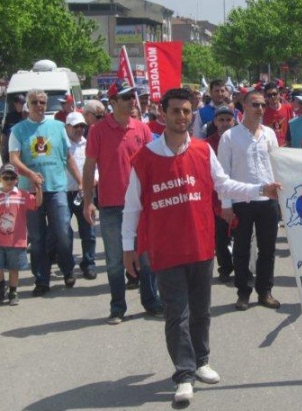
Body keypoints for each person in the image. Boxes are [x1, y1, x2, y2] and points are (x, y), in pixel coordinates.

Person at [121, 87, 280, 404]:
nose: (182, 116)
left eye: (186, 111)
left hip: (200, 246)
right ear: (163, 113)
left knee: (200, 312)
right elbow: (132, 207)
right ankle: (183, 374)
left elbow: (224, 185)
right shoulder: (145, 158)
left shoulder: (203, 150)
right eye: (175, 111)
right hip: (166, 250)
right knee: (176, 315)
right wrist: (128, 248)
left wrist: (260, 189)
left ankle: (201, 360)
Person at [83, 80, 162, 325]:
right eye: (126, 98)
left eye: (132, 97)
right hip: (111, 206)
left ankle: (151, 301)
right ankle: (117, 307)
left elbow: (153, 165)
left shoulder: (142, 128)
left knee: (146, 257)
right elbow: (89, 168)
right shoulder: (97, 131)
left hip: (141, 205)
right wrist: (88, 201)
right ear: (113, 102)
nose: (131, 102)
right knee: (115, 261)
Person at [9, 89, 82, 296]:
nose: (39, 106)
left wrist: (80, 181)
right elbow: (14, 159)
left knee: (63, 231)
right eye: (35, 102)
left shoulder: (58, 127)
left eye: (42, 102)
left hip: (56, 187)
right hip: (31, 191)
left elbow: (68, 157)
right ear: (28, 105)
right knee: (37, 237)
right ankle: (42, 279)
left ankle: (67, 269)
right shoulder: (18, 130)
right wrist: (30, 174)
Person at [218, 89, 282, 311]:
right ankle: (243, 292)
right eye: (255, 105)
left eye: (263, 105)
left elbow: (277, 165)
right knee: (242, 249)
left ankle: (265, 291)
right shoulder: (229, 137)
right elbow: (223, 174)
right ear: (244, 106)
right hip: (241, 200)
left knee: (267, 249)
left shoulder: (270, 134)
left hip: (268, 200)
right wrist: (226, 204)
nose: (260, 109)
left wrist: (280, 195)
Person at [0, 163, 43, 306]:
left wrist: (38, 189)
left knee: (13, 268)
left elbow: (37, 203)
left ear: (17, 179)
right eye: (6, 178)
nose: (9, 181)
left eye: (12, 178)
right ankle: (1, 286)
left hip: (16, 241)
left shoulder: (22, 195)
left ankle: (13, 291)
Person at [205, 105, 237, 283]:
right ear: (215, 122)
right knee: (220, 235)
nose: (225, 123)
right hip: (216, 197)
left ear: (234, 121)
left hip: (239, 193)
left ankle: (241, 266)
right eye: (221, 120)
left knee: (241, 235)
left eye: (228, 119)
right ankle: (225, 267)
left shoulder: (240, 140)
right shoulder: (207, 144)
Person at [65, 112, 97, 280]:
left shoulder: (88, 144)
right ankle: (68, 267)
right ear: (67, 127)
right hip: (64, 193)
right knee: (64, 233)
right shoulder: (62, 144)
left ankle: (89, 263)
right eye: (75, 126)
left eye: (82, 126)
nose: (79, 129)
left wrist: (95, 179)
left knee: (88, 231)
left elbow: (96, 166)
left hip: (85, 193)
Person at [262, 81, 295, 147]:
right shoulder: (263, 112)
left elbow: (294, 127)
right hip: (271, 147)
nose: (272, 97)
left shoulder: (288, 108)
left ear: (279, 94)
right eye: (269, 95)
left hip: (287, 147)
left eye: (274, 94)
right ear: (266, 97)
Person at [0, 94, 27, 162]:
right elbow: (4, 132)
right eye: (19, 103)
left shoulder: (27, 115)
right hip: (10, 146)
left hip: (23, 146)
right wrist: (2, 145)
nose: (21, 105)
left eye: (23, 103)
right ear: (15, 104)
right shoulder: (10, 116)